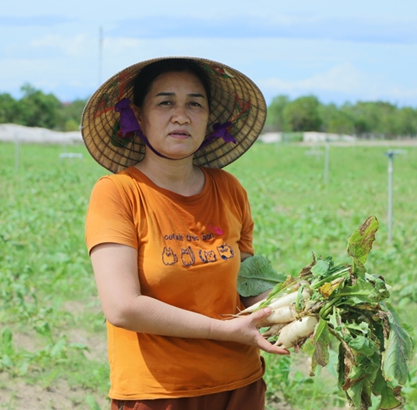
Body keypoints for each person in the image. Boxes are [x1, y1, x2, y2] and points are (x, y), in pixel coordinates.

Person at [81, 56, 289, 410]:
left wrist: (298, 308)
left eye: (195, 103)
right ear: (138, 115)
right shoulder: (118, 193)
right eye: (165, 103)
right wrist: (224, 330)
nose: (181, 115)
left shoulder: (229, 188)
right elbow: (123, 307)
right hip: (158, 395)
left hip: (240, 386)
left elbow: (248, 279)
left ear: (209, 119)